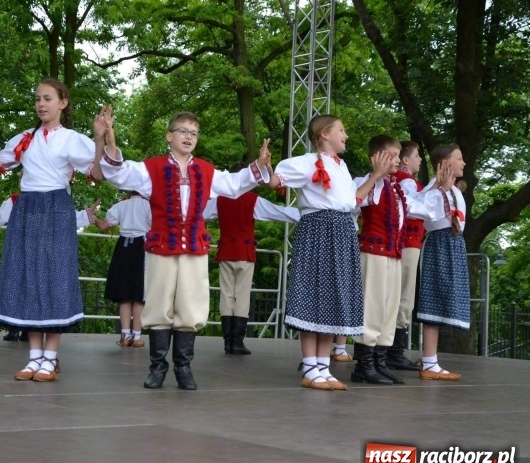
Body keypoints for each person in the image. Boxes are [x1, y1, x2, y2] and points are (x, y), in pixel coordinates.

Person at [94, 111, 274, 390]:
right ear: (169, 136)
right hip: (161, 247)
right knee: (158, 306)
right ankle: (157, 366)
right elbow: (119, 174)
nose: (189, 137)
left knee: (191, 307)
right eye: (183, 131)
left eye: (194, 133)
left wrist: (258, 165)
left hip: (193, 247)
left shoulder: (206, 170)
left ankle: (183, 367)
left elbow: (234, 185)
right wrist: (111, 141)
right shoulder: (151, 168)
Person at [0, 77, 99, 382]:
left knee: (55, 275)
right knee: (27, 275)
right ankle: (34, 357)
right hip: (27, 207)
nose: (41, 104)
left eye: (48, 98)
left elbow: (98, 173)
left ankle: (50, 358)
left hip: (56, 207)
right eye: (38, 98)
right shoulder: (25, 138)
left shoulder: (72, 139)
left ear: (63, 103)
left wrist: (102, 139)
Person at [269, 114, 390, 391]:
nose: (346, 135)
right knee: (313, 295)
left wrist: (376, 176)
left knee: (333, 297)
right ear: (324, 134)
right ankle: (310, 367)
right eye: (341, 130)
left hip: (342, 231)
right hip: (318, 230)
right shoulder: (306, 162)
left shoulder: (341, 166)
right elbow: (276, 182)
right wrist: (265, 167)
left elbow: (352, 200)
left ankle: (323, 366)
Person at [352, 135, 430, 385]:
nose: (398, 159)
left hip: (392, 253)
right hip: (373, 251)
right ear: (377, 157)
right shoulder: (368, 182)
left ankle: (379, 361)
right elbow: (352, 203)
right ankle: (364, 365)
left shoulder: (394, 187)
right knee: (372, 306)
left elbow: (420, 210)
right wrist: (375, 175)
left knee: (389, 308)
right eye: (393, 155)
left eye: (398, 155)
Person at [0, 192, 99, 342]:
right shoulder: (45, 200)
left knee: (23, 284)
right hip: (41, 252)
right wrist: (86, 215)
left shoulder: (19, 199)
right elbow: (68, 218)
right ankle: (22, 329)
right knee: (32, 286)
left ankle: (22, 329)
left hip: (28, 251)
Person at [202, 172, 300, 355]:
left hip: (226, 251)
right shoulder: (252, 200)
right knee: (242, 295)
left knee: (226, 295)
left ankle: (228, 342)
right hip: (245, 252)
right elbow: (278, 212)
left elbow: (198, 213)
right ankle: (237, 342)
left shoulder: (219, 200)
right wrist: (306, 213)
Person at [414, 144, 468, 381]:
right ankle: (429, 362)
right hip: (439, 244)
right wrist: (439, 188)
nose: (463, 163)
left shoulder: (455, 190)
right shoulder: (432, 189)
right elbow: (421, 209)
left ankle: (431, 361)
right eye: (459, 159)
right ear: (445, 163)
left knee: (445, 300)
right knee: (433, 300)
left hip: (454, 244)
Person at [93, 192, 152, 348]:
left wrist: (92, 216)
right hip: (142, 247)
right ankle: (137, 337)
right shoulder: (149, 206)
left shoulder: (120, 206)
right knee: (139, 295)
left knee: (124, 295)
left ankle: (125, 336)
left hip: (123, 248)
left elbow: (103, 226)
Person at [386, 140, 424, 371]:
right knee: (405, 297)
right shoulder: (407, 182)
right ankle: (394, 352)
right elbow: (414, 209)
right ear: (406, 160)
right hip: (408, 242)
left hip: (400, 242)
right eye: (417, 155)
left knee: (395, 295)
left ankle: (387, 351)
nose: (420, 159)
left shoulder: (396, 180)